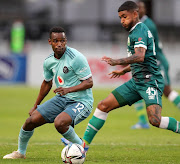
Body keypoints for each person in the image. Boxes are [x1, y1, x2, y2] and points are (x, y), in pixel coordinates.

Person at [81, 1, 180, 149]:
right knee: (103, 105)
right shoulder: (134, 31)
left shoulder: (140, 30)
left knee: (155, 120)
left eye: (124, 17)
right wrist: (125, 70)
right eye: (120, 17)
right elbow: (143, 59)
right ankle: (83, 146)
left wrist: (117, 61)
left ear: (135, 14)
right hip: (136, 81)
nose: (122, 20)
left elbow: (140, 56)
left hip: (150, 81)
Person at [3, 27, 93, 159]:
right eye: (56, 41)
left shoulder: (76, 58)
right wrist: (35, 105)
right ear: (50, 42)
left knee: (60, 123)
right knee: (30, 121)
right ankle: (20, 153)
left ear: (66, 41)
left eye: (62, 41)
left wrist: (67, 89)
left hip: (82, 101)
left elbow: (89, 82)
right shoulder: (49, 61)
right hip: (62, 99)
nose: (59, 44)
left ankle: (80, 147)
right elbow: (47, 83)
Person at [131, 1, 180, 129]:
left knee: (167, 91)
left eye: (140, 8)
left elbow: (145, 49)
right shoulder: (139, 25)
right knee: (138, 87)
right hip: (150, 63)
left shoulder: (148, 25)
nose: (138, 11)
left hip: (158, 62)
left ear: (144, 10)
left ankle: (143, 121)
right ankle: (142, 121)